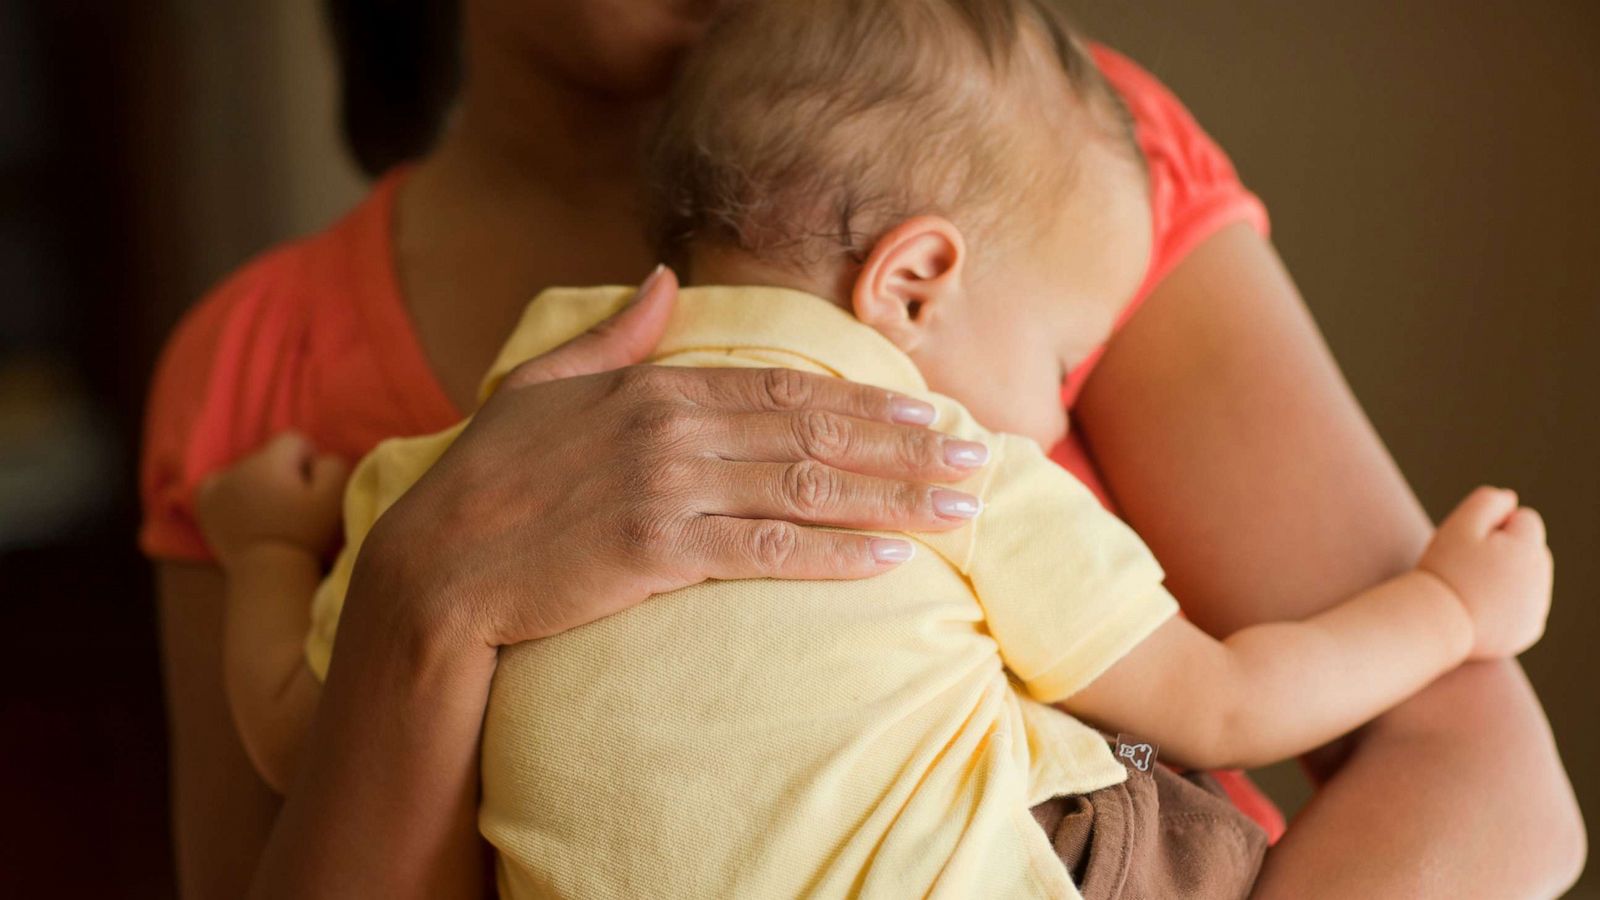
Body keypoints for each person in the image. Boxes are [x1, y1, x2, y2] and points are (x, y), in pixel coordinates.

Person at [140, 0, 1585, 897]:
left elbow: (1485, 786)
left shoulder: (1031, 152)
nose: (1056, 389)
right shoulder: (264, 367)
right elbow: (1225, 696)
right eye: (1059, 368)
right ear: (912, 279)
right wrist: (427, 597)